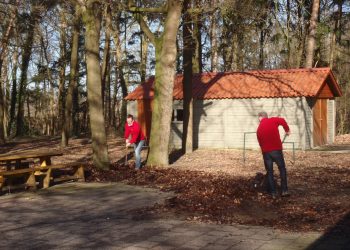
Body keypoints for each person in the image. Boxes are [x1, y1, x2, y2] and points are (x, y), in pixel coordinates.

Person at [256, 111, 290, 198]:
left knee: (270, 172)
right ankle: (284, 190)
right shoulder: (273, 120)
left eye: (258, 118)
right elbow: (282, 120)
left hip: (266, 153)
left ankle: (273, 193)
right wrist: (287, 130)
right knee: (282, 169)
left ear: (260, 117)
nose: (258, 120)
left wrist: (264, 149)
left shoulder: (259, 129)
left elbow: (260, 143)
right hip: (276, 151)